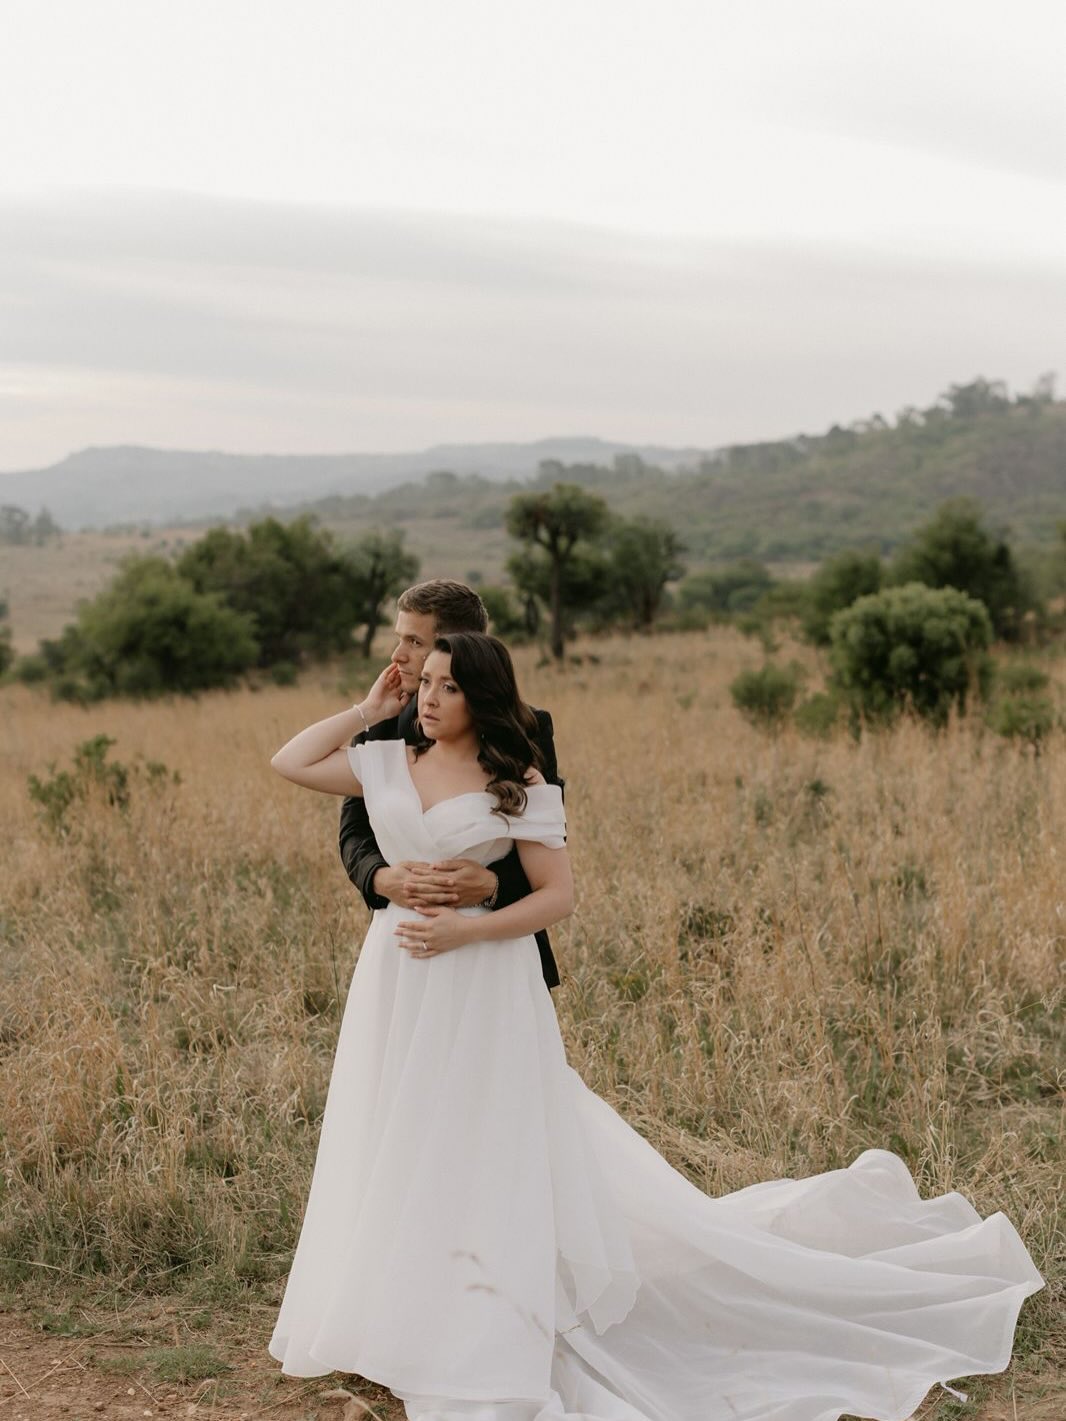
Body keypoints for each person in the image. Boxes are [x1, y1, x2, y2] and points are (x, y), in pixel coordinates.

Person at [268, 632, 1043, 1421]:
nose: (428, 697)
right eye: (424, 682)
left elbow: (556, 895)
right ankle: (400, 1299)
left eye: (447, 686)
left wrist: (468, 926)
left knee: (478, 1134)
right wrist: (369, 710)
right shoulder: (386, 759)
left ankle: (483, 1307)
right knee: (393, 1123)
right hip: (396, 973)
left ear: (484, 698)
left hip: (482, 977)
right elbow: (289, 761)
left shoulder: (519, 782)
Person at [338, 579, 564, 990]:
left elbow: (545, 839)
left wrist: (493, 887)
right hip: (403, 944)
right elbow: (354, 830)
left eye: (414, 641)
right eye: (398, 639)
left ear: (460, 647)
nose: (397, 655)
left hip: (495, 949)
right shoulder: (382, 727)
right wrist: (380, 878)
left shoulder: (528, 728)